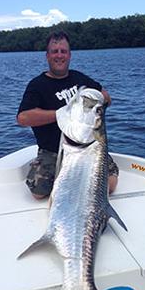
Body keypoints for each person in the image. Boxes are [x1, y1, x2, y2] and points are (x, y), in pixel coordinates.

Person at [17, 31, 119, 199]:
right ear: (47, 55)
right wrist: (60, 114)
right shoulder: (37, 85)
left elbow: (106, 98)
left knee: (110, 184)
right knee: (38, 193)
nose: (59, 55)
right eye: (54, 51)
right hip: (52, 151)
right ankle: (67, 178)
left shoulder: (79, 78)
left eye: (63, 51)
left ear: (69, 55)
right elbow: (22, 118)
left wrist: (98, 100)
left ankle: (73, 182)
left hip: (86, 147)